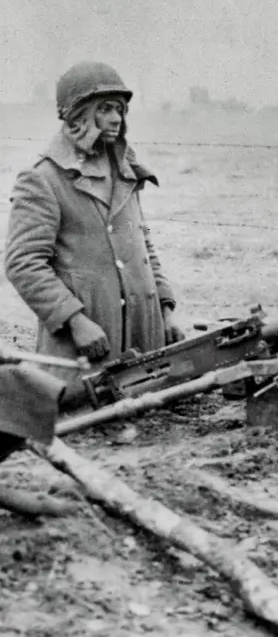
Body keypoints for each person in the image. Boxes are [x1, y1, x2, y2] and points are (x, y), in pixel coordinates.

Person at [4, 61, 184, 403]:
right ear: (77, 116)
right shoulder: (44, 178)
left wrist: (166, 307)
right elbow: (23, 263)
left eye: (119, 109)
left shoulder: (126, 171)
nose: (117, 118)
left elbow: (142, 245)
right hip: (85, 353)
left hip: (146, 352)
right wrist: (74, 321)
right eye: (104, 109)